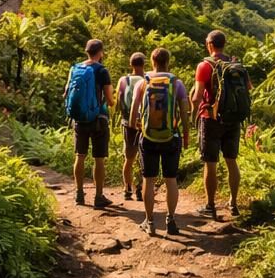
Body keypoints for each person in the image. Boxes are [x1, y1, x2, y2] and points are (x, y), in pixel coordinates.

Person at [192, 29, 252, 217]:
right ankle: (233, 204)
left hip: (211, 119)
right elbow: (248, 88)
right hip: (233, 118)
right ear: (224, 44)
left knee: (210, 163)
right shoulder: (236, 65)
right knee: (231, 161)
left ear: (209, 44)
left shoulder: (205, 66)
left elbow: (197, 96)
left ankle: (210, 206)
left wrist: (193, 114)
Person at [131, 47, 190, 236]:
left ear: (152, 61)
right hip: (171, 137)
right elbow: (184, 113)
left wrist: (137, 127)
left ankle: (149, 222)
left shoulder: (143, 82)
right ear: (168, 62)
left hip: (148, 137)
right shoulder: (177, 83)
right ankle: (170, 219)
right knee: (170, 179)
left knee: (148, 179)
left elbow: (133, 113)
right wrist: (186, 135)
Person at [65, 38, 113, 208]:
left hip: (79, 119)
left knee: (80, 156)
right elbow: (110, 100)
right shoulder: (102, 70)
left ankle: (79, 194)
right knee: (98, 159)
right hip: (99, 119)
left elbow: (66, 93)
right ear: (100, 52)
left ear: (86, 51)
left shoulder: (75, 69)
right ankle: (98, 196)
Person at [115, 51, 147, 201]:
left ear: (131, 64)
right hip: (144, 124)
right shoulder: (147, 80)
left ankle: (127, 189)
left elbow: (118, 102)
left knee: (128, 159)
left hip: (127, 123)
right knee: (143, 158)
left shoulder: (123, 80)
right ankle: (141, 189)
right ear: (144, 64)